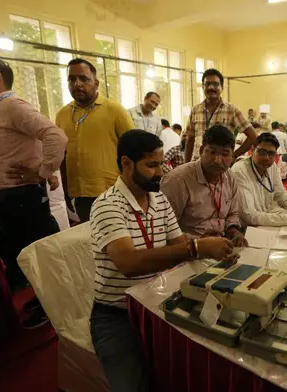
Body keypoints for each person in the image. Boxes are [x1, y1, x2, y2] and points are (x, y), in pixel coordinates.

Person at [89, 130, 234, 392]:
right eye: (152, 165)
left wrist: (210, 248)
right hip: (118, 313)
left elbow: (178, 245)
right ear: (126, 163)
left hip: (160, 300)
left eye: (161, 164)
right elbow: (129, 264)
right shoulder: (107, 205)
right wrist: (198, 246)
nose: (160, 173)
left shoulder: (159, 200)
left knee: (202, 364)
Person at [0, 56, 67, 328]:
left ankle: (54, 306)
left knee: (37, 253)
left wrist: (44, 172)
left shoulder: (12, 105)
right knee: (21, 253)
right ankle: (44, 297)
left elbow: (55, 136)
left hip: (21, 197)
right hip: (6, 197)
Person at [56, 58, 134, 222]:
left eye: (84, 79)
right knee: (91, 242)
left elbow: (134, 152)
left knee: (117, 243)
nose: (77, 84)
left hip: (112, 192)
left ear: (96, 83)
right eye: (71, 79)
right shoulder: (62, 114)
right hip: (79, 194)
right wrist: (65, 189)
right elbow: (62, 155)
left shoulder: (115, 110)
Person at [163, 125, 247, 246]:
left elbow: (233, 213)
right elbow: (166, 228)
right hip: (188, 250)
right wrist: (201, 242)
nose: (218, 160)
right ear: (201, 150)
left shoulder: (230, 176)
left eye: (225, 154)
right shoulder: (178, 180)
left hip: (221, 244)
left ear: (232, 156)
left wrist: (232, 229)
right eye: (212, 152)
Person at [184, 69, 257, 161]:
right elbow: (190, 140)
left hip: (219, 164)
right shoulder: (195, 110)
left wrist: (234, 155)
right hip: (196, 163)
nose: (211, 87)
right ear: (203, 87)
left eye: (215, 84)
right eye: (207, 84)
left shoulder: (232, 110)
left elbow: (253, 136)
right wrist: (185, 164)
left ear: (222, 87)